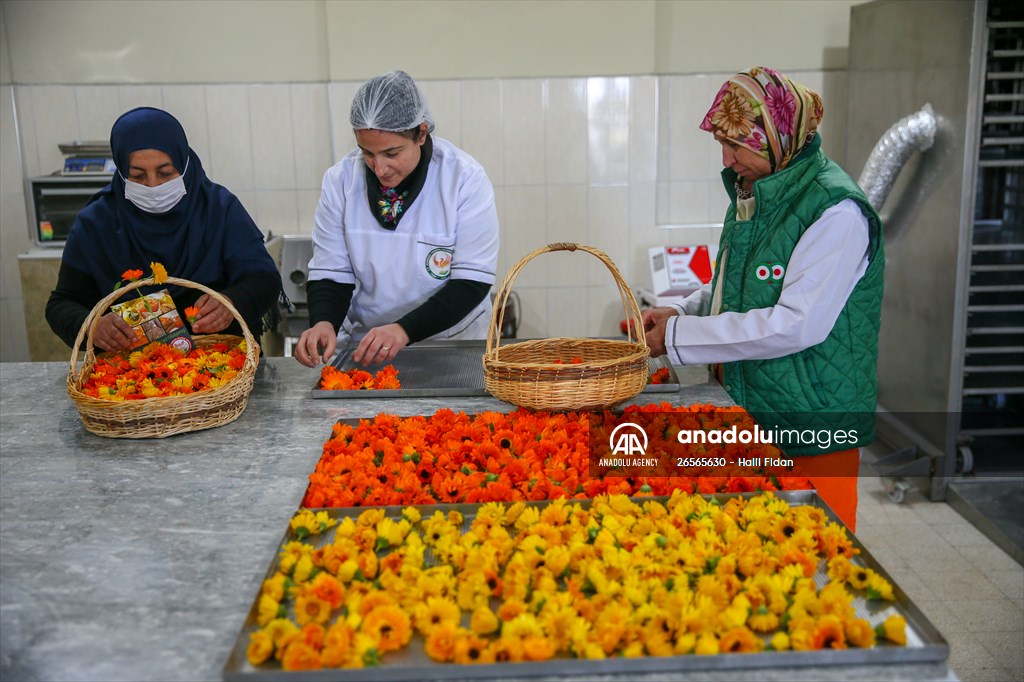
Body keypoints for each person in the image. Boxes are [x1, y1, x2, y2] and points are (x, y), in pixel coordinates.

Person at [643, 67, 885, 531]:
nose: (727, 159)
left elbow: (796, 322)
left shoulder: (836, 211)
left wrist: (677, 336)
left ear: (776, 140)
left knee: (816, 560)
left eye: (737, 146)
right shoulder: (757, 195)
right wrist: (681, 310)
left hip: (813, 425)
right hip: (756, 410)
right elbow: (739, 287)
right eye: (722, 145)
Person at [294, 70, 498, 368]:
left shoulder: (463, 178)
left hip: (452, 345)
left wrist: (404, 330)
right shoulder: (341, 180)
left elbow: (471, 281)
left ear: (422, 133)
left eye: (392, 153)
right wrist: (324, 322)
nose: (380, 168)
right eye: (368, 153)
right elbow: (331, 271)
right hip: (368, 346)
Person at [46, 107, 282, 353]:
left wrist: (233, 302)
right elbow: (62, 303)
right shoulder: (97, 223)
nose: (153, 186)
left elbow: (264, 280)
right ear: (121, 172)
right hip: (131, 377)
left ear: (184, 163)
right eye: (137, 176)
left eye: (165, 173)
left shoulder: (218, 209)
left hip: (224, 365)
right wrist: (92, 327)